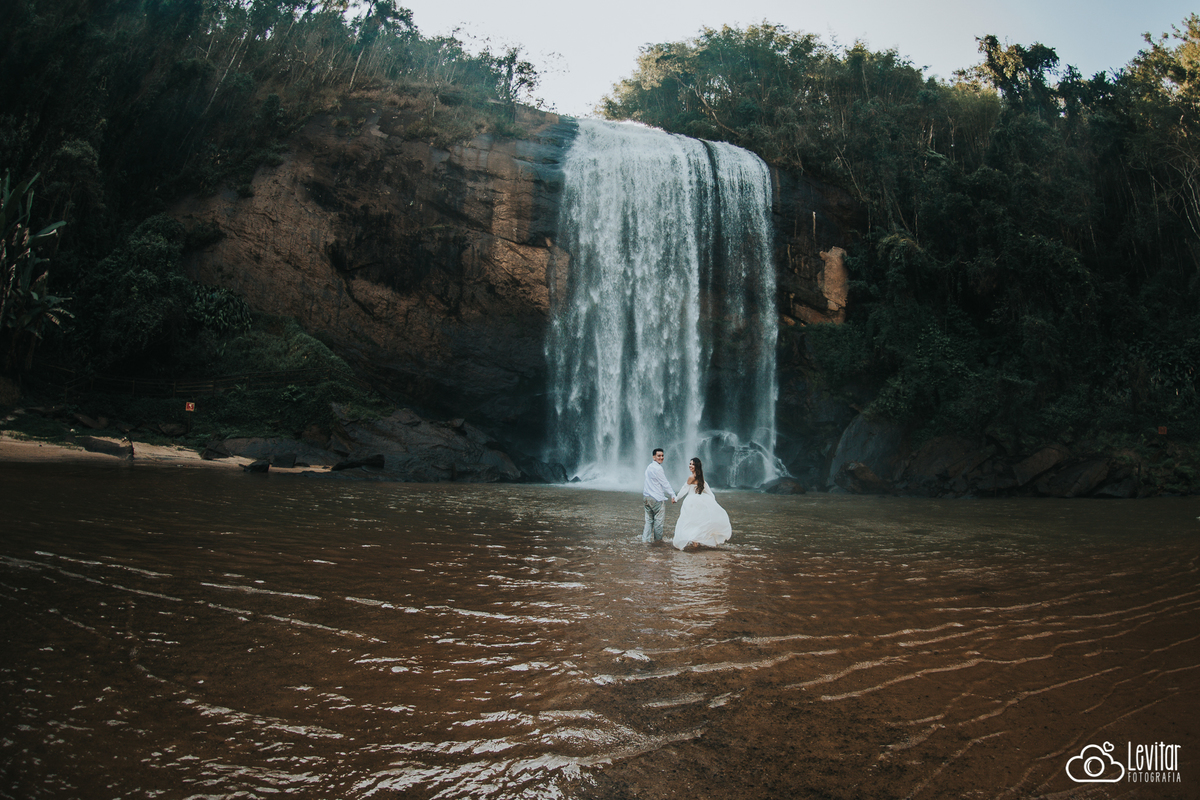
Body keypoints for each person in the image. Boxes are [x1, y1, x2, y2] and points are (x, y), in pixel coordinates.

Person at [671, 456, 732, 550]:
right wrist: (712, 503)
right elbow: (709, 492)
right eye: (690, 464)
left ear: (697, 466)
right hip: (699, 501)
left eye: (693, 464)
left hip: (690, 502)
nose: (690, 466)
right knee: (697, 522)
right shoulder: (701, 478)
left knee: (688, 522)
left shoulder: (691, 477)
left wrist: (676, 499)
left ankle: (692, 543)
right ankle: (696, 543)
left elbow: (684, 489)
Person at [642, 447, 677, 543]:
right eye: (659, 456)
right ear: (654, 457)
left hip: (646, 497)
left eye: (662, 455)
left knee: (649, 521)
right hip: (656, 498)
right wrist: (673, 495)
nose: (661, 457)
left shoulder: (649, 467)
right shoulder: (658, 469)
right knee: (658, 523)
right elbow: (665, 483)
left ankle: (645, 541)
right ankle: (658, 543)